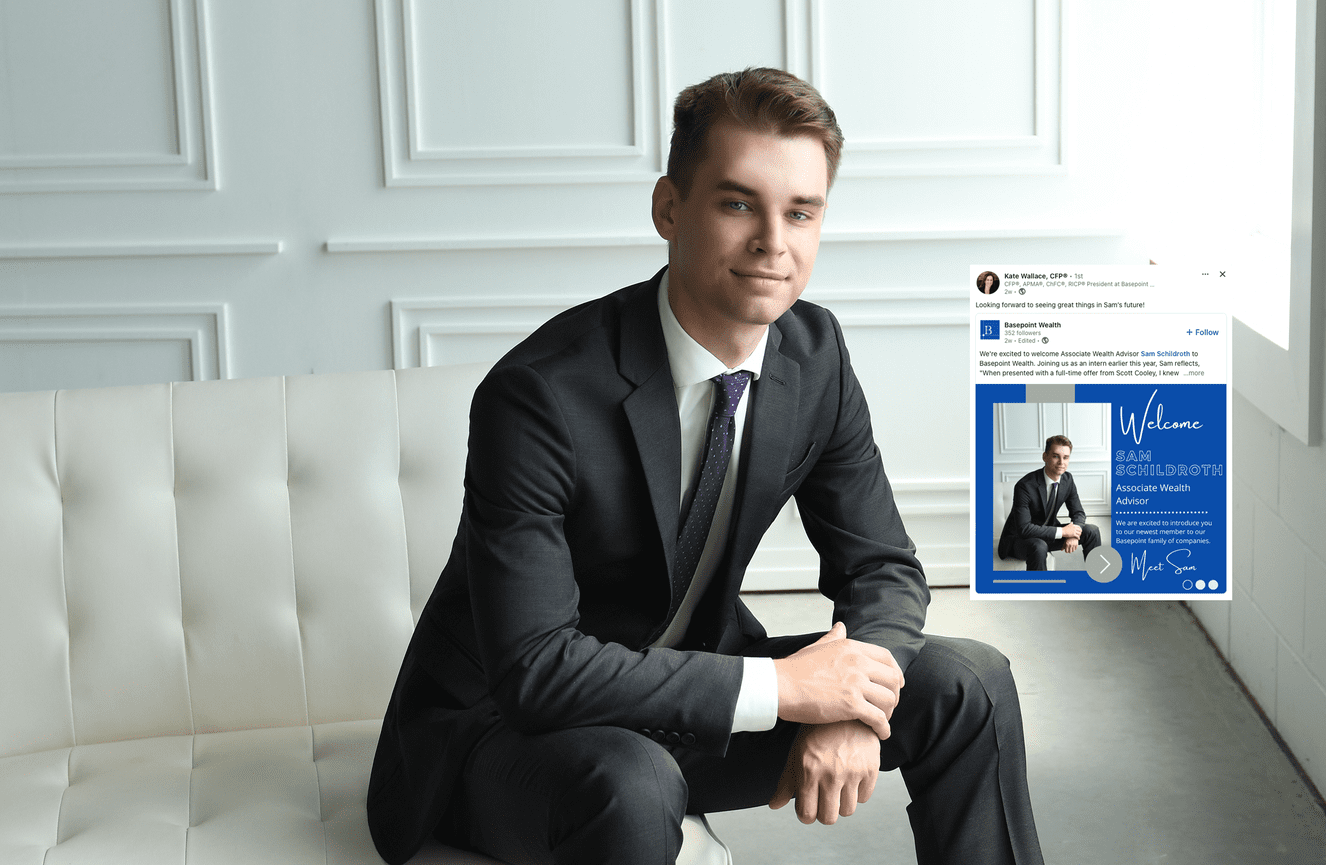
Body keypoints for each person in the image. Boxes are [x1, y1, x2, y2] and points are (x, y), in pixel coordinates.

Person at [367, 67, 1044, 865]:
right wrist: (789, 689)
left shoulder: (813, 357)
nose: (773, 242)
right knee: (636, 780)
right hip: (506, 738)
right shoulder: (540, 396)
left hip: (692, 701)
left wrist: (849, 705)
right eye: (737, 203)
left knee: (973, 681)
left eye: (801, 212)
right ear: (668, 208)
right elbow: (538, 671)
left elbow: (885, 569)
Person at [998, 434, 1102, 570]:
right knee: (1039, 546)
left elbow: (1078, 513)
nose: (1061, 462)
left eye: (1066, 457)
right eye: (1055, 456)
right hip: (1019, 541)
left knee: (1092, 531)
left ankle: (1098, 580)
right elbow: (1024, 529)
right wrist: (1064, 532)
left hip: (1049, 534)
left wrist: (1074, 534)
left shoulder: (1067, 479)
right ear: (1044, 457)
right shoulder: (1025, 486)